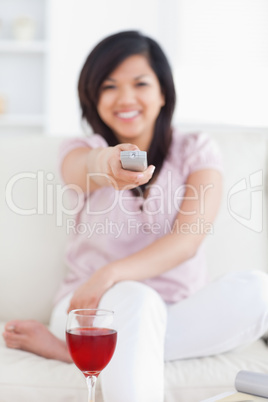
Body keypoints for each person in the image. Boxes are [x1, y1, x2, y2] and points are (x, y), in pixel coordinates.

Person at [3, 31, 268, 402]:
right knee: (136, 300)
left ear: (163, 93)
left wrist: (108, 273)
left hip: (178, 311)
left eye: (140, 83)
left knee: (259, 290)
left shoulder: (196, 150)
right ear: (94, 98)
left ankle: (74, 353)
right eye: (109, 86)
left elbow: (187, 241)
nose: (125, 98)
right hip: (90, 310)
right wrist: (107, 164)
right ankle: (96, 346)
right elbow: (85, 168)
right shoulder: (81, 151)